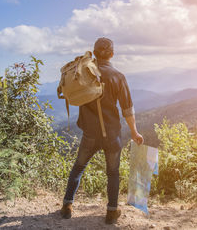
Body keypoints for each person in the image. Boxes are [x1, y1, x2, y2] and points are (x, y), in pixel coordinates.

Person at [60, 37, 144, 224]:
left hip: (90, 134)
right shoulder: (118, 76)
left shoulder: (85, 73)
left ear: (94, 52)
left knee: (78, 167)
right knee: (113, 173)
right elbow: (127, 109)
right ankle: (111, 212)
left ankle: (67, 206)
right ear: (112, 54)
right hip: (112, 135)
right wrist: (134, 132)